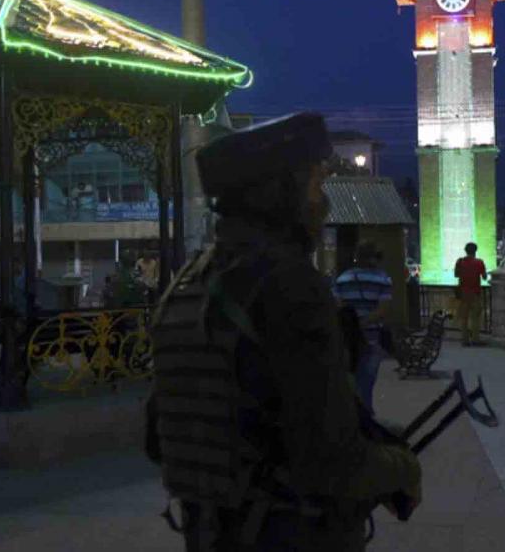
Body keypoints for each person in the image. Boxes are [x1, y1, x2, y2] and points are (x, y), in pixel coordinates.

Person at [146, 112, 421, 551]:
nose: (325, 204)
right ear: (282, 194)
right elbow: (331, 462)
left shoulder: (188, 283)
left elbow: (163, 435)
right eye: (315, 185)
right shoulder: (289, 285)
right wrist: (401, 467)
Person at [333, 240, 392, 414]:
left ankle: (353, 419)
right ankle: (365, 420)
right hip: (372, 338)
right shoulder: (383, 280)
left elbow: (337, 307)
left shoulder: (342, 279)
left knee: (349, 381)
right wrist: (364, 323)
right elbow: (383, 310)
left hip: (347, 339)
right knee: (367, 382)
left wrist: (352, 324)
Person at [453, 242, 488, 346]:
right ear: (475, 251)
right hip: (475, 293)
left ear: (465, 250)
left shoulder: (460, 262)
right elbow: (484, 277)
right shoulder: (479, 262)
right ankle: (475, 340)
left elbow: (456, 275)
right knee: (475, 318)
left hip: (463, 293)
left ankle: (465, 340)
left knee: (464, 317)